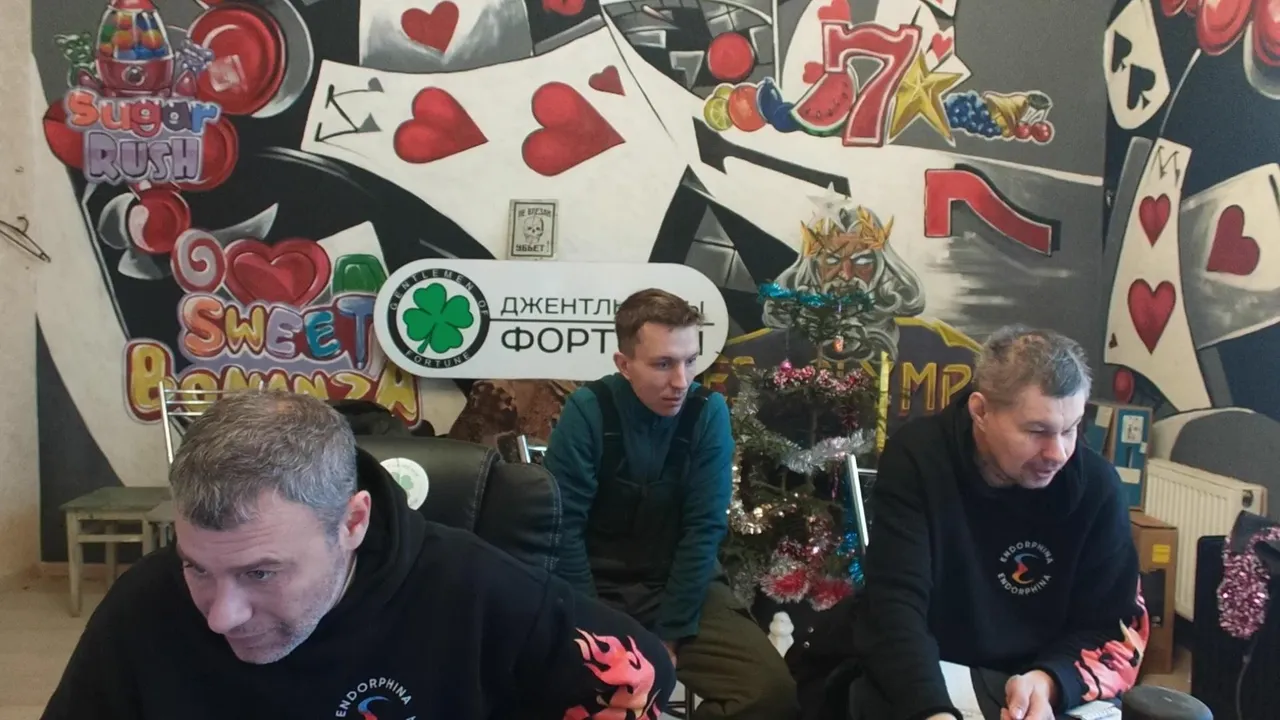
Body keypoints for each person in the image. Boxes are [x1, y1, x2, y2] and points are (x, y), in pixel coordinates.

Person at [43, 391, 675, 719]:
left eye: (260, 572)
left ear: (352, 523)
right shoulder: (145, 605)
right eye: (197, 567)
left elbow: (643, 672)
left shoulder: (472, 591)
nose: (221, 614)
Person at [853, 325, 1150, 720]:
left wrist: (1049, 681)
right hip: (937, 668)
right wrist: (932, 711)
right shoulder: (919, 458)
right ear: (981, 412)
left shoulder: (1098, 487)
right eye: (1037, 431)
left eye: (1070, 429)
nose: (1058, 453)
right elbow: (895, 605)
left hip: (1041, 676)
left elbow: (1115, 628)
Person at [544, 288, 799, 720]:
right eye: (663, 364)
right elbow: (563, 529)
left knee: (769, 692)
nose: (681, 381)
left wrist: (669, 637)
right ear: (624, 364)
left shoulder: (707, 413)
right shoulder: (588, 411)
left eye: (690, 361)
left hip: (681, 586)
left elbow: (703, 530)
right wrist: (599, 634)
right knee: (561, 690)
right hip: (593, 587)